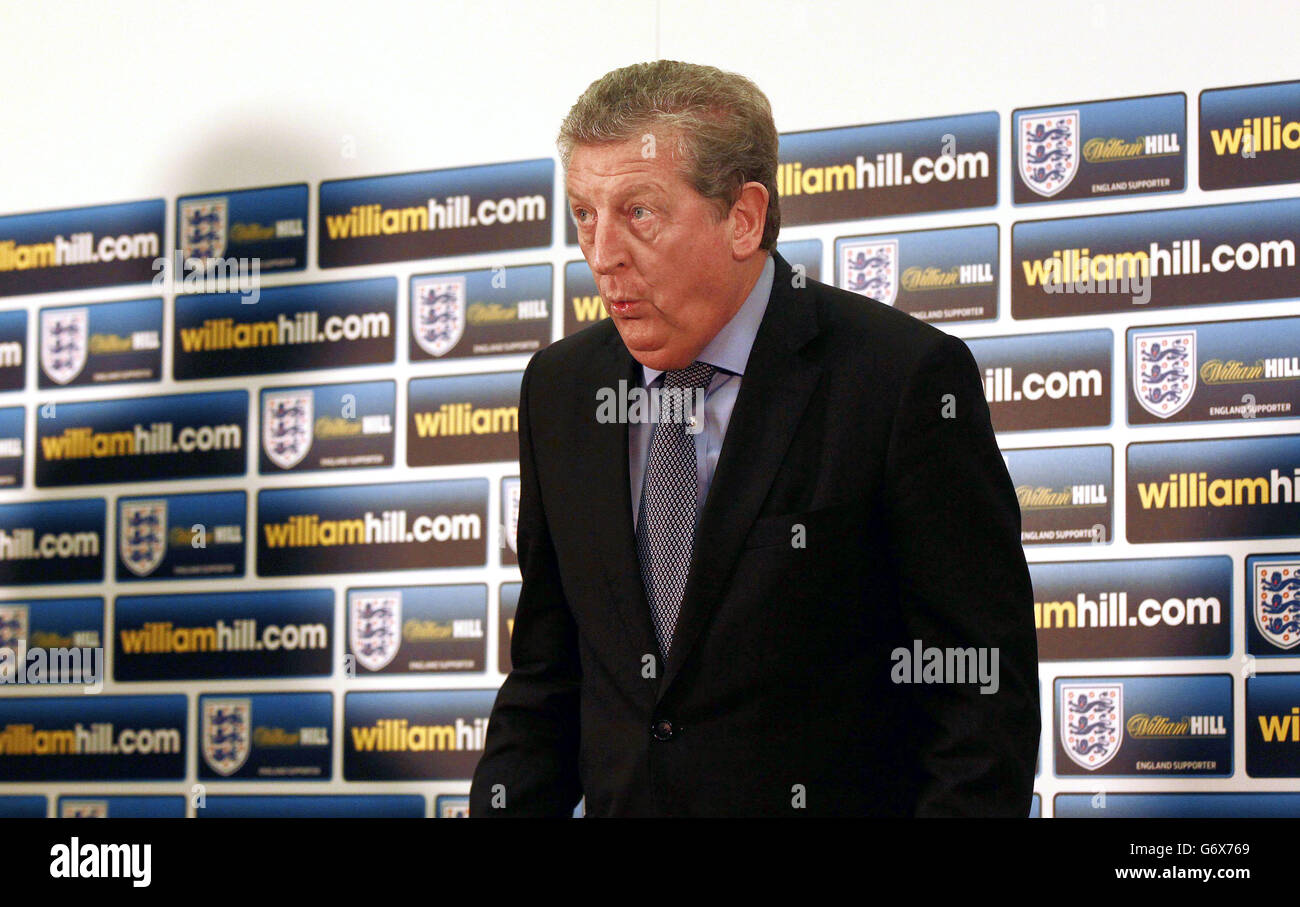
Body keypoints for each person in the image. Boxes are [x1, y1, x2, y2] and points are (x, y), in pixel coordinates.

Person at [469, 60, 1039, 817]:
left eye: (638, 212)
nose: (601, 253)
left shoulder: (898, 380)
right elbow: (548, 678)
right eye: (583, 214)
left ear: (742, 217)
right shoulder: (560, 391)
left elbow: (979, 699)